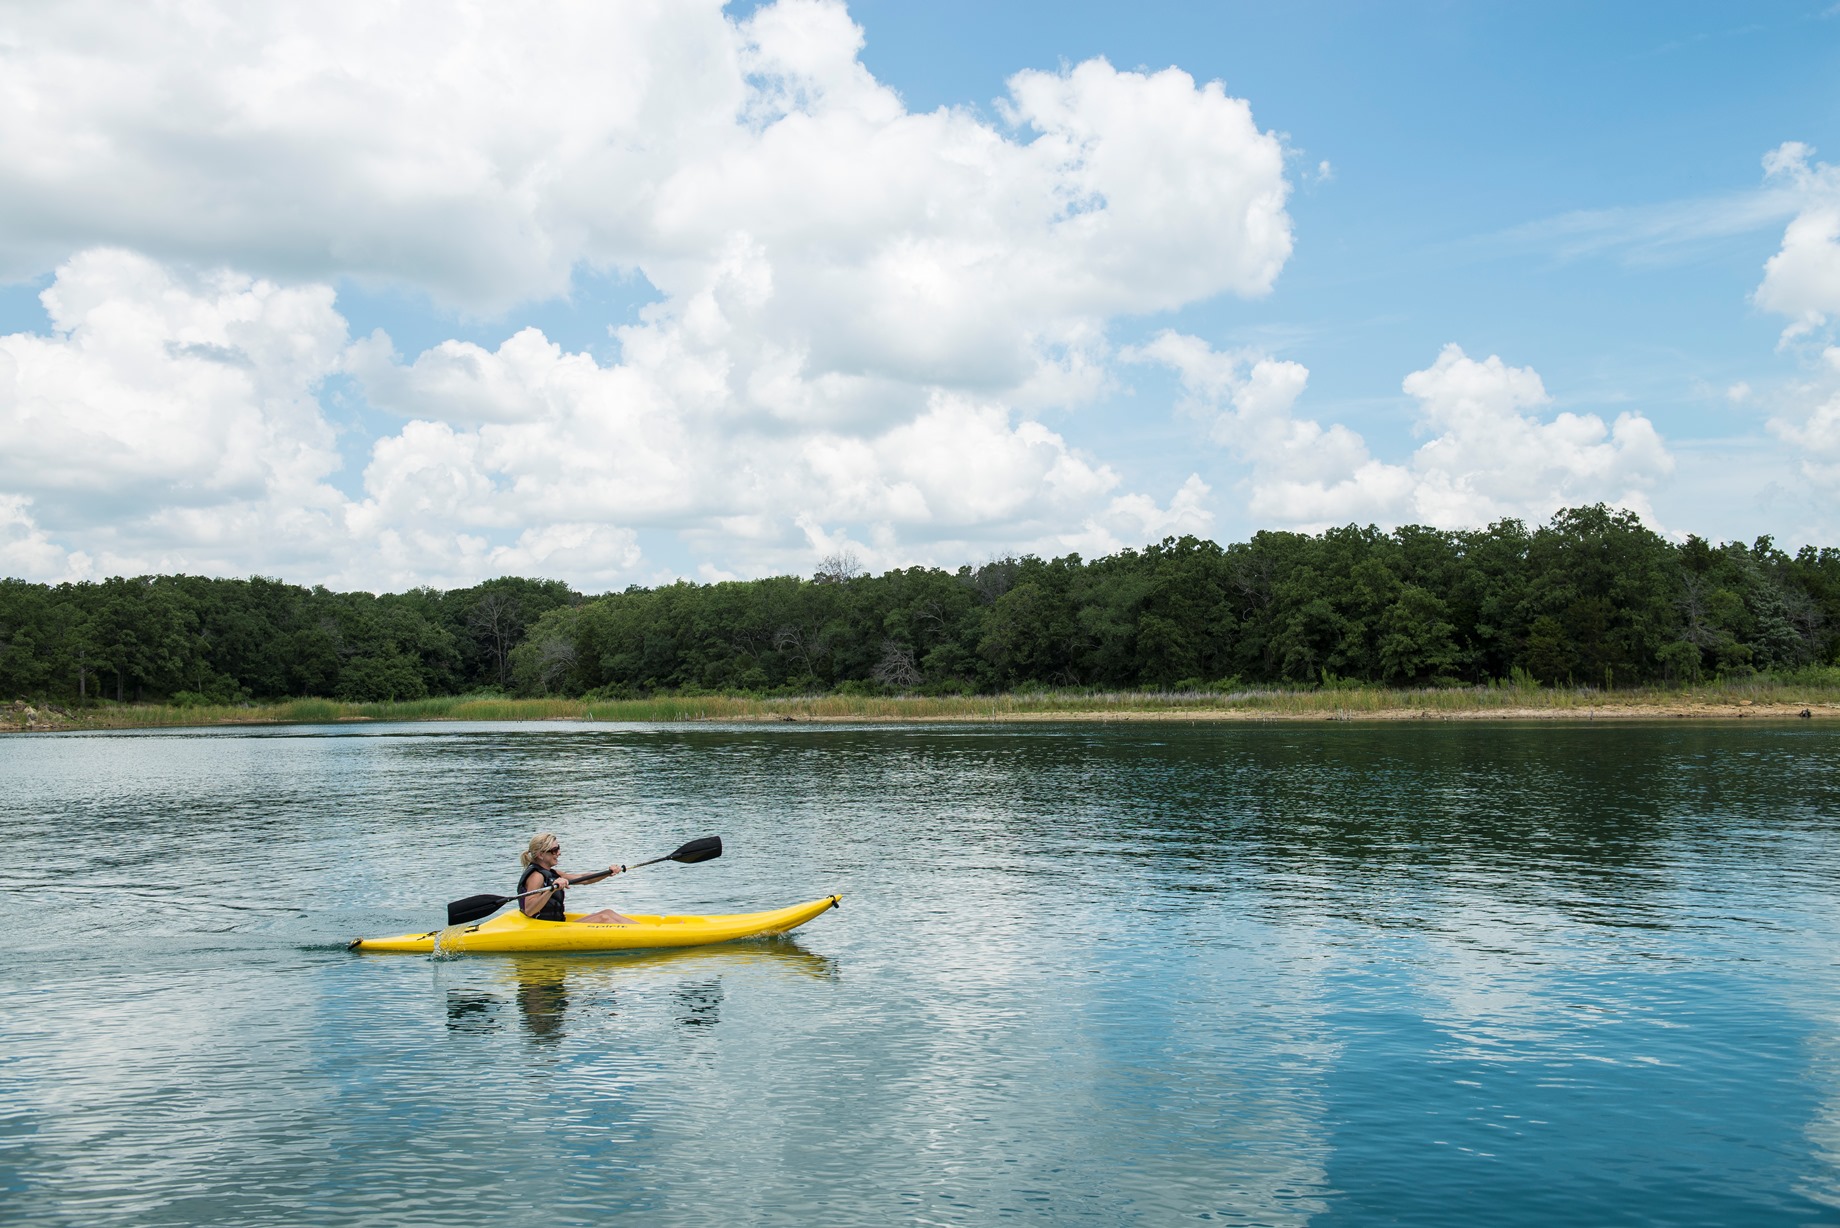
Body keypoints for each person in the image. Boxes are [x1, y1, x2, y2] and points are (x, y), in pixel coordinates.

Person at [518, 832, 634, 924]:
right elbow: (529, 910)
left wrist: (607, 873)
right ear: (540, 855)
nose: (558, 853)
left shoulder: (552, 873)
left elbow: (584, 878)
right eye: (554, 850)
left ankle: (647, 931)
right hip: (543, 928)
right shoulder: (536, 876)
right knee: (603, 918)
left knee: (608, 913)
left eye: (558, 848)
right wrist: (552, 889)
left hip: (555, 925)